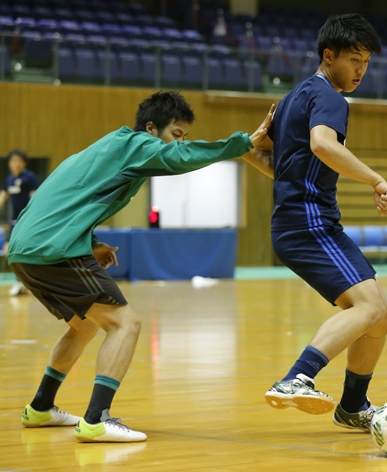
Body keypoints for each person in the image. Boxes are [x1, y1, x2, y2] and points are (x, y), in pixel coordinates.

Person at [10, 91, 274, 442]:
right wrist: (242, 142)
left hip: (24, 250)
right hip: (53, 249)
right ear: (151, 128)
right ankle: (97, 419)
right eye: (176, 135)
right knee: (126, 323)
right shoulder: (135, 144)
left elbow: (64, 200)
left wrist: (90, 244)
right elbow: (179, 158)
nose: (180, 143)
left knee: (84, 326)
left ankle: (41, 407)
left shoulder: (107, 148)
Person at [257, 14, 387, 432]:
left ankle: (353, 405)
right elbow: (322, 143)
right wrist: (376, 179)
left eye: (366, 62)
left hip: (295, 224)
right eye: (354, 60)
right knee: (368, 306)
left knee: (380, 313)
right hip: (310, 223)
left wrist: (248, 149)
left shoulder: (294, 97)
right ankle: (297, 378)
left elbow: (271, 162)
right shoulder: (331, 98)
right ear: (328, 55)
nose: (360, 71)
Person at [0, 149, 39, 296]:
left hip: (25, 220)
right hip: (13, 221)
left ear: (24, 163)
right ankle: (23, 281)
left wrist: (33, 217)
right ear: (9, 163)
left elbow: (34, 197)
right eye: (13, 161)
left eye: (19, 161)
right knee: (8, 252)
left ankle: (21, 281)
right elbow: (3, 196)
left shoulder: (29, 177)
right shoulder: (9, 179)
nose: (16, 164)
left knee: (13, 251)